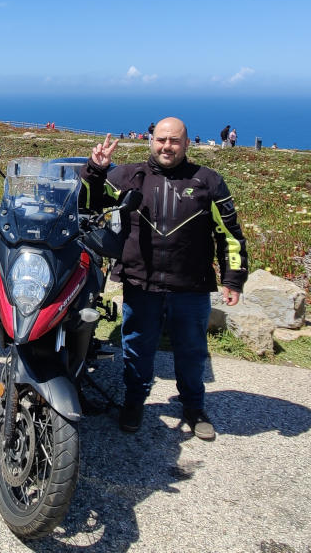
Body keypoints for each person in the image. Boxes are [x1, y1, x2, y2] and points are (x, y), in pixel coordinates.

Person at [82, 117, 248, 441]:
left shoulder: (208, 181)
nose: (167, 146)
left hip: (191, 286)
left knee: (192, 350)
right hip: (141, 283)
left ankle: (194, 407)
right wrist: (95, 169)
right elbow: (86, 204)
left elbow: (229, 234)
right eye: (161, 140)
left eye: (174, 140)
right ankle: (134, 403)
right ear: (151, 141)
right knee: (137, 349)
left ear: (187, 144)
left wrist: (233, 279)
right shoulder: (127, 176)